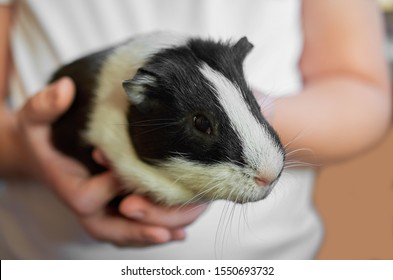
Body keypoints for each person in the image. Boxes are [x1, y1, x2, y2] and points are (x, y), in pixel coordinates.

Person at [0, 0, 391, 259]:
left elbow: (360, 86)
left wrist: (267, 114)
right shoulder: (131, 92)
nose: (266, 175)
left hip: (271, 258)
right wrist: (29, 151)